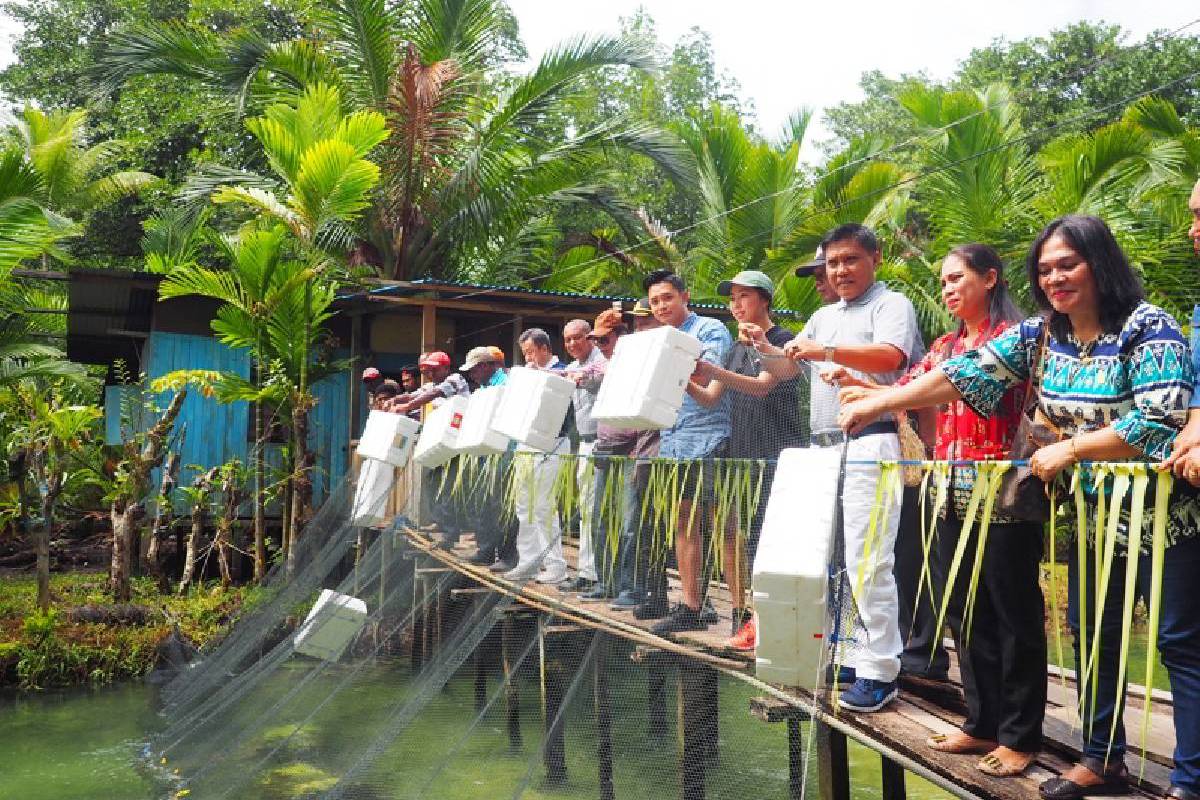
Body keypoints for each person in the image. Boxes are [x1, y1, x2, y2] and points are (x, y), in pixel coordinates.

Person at [839, 215, 1196, 793]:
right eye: (1046, 268)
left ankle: (1190, 777)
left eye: (1068, 264)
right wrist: (885, 398)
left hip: (1165, 518)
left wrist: (1073, 448)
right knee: (1093, 638)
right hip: (1092, 519)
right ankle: (1101, 757)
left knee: (1179, 643)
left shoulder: (1145, 326)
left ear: (1099, 262)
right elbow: (962, 375)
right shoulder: (1041, 334)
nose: (1055, 278)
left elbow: (1161, 419)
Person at [831, 244, 1043, 776]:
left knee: (1011, 613)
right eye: (943, 281)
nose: (948, 289)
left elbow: (940, 387)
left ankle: (1020, 735)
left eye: (958, 278)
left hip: (1003, 496)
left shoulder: (1014, 340)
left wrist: (872, 396)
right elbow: (908, 389)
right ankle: (980, 722)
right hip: (948, 493)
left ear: (990, 279)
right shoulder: (946, 343)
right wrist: (858, 384)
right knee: (964, 610)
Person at [748, 222, 924, 712]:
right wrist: (763, 344)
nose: (840, 270)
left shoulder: (893, 305)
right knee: (836, 558)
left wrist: (823, 350)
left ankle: (882, 669)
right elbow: (787, 367)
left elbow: (892, 356)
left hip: (874, 438)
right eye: (833, 263)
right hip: (824, 447)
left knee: (871, 560)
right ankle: (851, 652)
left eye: (850, 259)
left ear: (875, 258)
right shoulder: (824, 315)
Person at [687, 270, 809, 650]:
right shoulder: (734, 347)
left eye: (744, 296)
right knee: (741, 537)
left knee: (772, 539)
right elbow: (710, 397)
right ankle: (748, 618)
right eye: (732, 298)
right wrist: (681, 377)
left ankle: (772, 623)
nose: (736, 305)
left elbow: (760, 387)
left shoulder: (783, 340)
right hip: (742, 455)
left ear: (764, 300)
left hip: (776, 454)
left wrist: (712, 370)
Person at [641, 269, 732, 635]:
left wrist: (668, 368)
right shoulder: (655, 339)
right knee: (683, 523)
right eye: (655, 301)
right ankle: (692, 606)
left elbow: (706, 379)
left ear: (685, 296)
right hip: (673, 441)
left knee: (723, 526)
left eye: (667, 297)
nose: (661, 305)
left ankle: (741, 614)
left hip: (708, 438)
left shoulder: (710, 330)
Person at [386, 351, 471, 548]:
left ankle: (450, 535)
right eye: (428, 370)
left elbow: (434, 394)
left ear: (446, 368)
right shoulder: (431, 385)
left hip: (456, 442)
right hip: (440, 441)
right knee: (434, 480)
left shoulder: (455, 379)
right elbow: (415, 394)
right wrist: (395, 400)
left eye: (434, 369)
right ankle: (440, 522)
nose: (430, 373)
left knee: (449, 486)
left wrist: (406, 406)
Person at [504, 328, 570, 585]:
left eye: (531, 352)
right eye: (525, 354)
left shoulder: (562, 370)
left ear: (545, 348)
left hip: (551, 443)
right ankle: (528, 562)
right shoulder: (529, 373)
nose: (529, 358)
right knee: (524, 505)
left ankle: (556, 565)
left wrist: (537, 374)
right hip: (526, 442)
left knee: (543, 506)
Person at [561, 318, 607, 596]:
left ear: (590, 338)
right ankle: (586, 571)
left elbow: (594, 380)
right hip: (584, 445)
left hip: (605, 445)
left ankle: (596, 574)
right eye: (567, 340)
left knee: (597, 512)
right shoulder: (569, 368)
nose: (572, 344)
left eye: (577, 338)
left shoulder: (602, 361)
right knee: (586, 510)